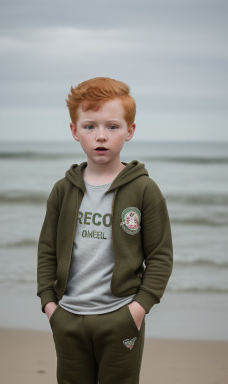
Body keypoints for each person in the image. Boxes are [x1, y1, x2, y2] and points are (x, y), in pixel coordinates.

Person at [37, 77, 173, 384]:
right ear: (74, 131)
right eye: (90, 126)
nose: (101, 136)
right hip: (67, 317)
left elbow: (161, 256)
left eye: (112, 126)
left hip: (121, 317)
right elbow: (47, 249)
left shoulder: (144, 190)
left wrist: (138, 310)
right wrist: (49, 304)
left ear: (130, 131)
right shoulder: (63, 190)